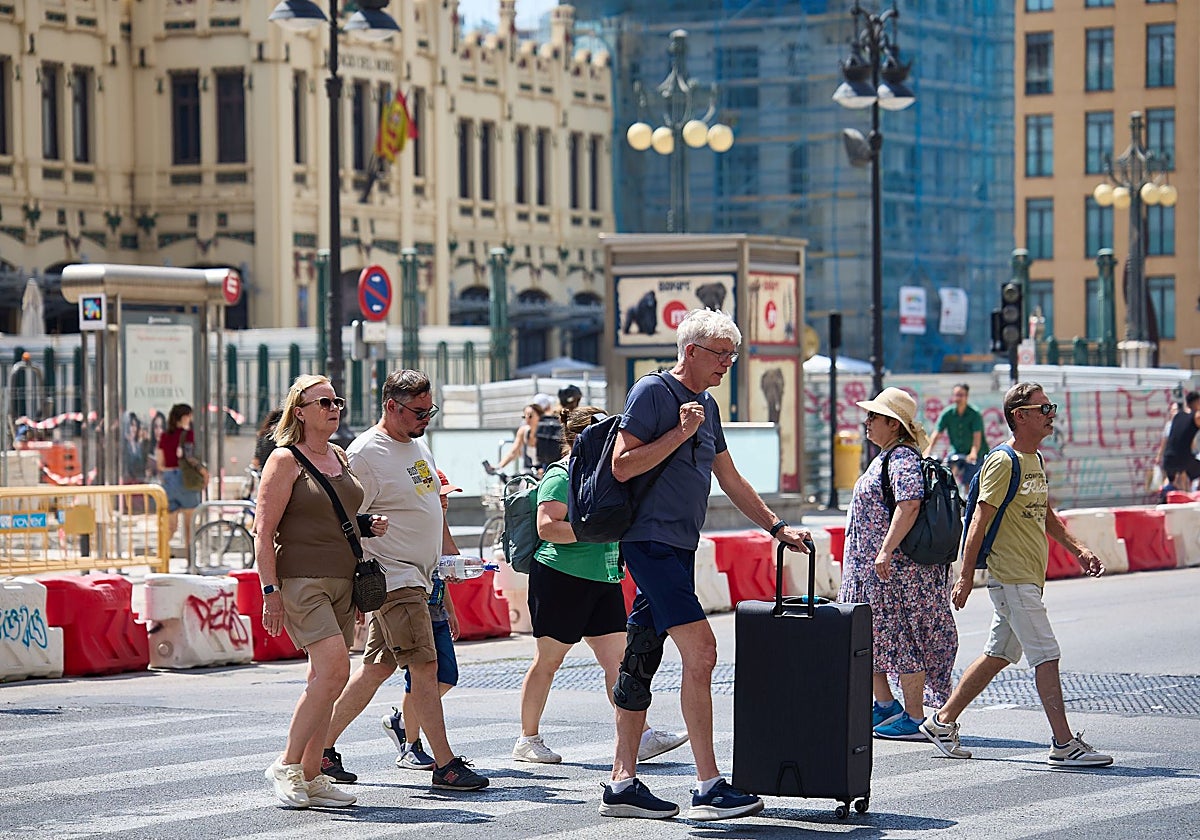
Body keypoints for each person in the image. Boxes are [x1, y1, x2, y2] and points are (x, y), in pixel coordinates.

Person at [602, 308, 811, 822]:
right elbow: (622, 464)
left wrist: (777, 528)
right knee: (703, 650)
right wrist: (677, 433)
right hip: (648, 542)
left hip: (677, 545)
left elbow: (731, 478)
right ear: (690, 351)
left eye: (733, 356)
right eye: (721, 355)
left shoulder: (706, 405)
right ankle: (709, 784)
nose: (728, 364)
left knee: (640, 658)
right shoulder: (653, 393)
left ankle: (621, 783)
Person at [920, 382, 1114, 768]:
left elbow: (1045, 516)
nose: (1050, 413)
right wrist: (964, 574)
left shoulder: (1035, 461)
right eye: (1043, 408)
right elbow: (979, 517)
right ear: (1019, 415)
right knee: (1046, 654)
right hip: (1011, 577)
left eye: (1050, 407)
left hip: (1027, 575)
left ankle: (941, 721)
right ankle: (1062, 742)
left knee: (999, 654)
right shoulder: (1003, 461)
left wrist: (1079, 549)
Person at [323, 369, 489, 792]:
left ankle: (320, 749)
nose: (426, 418)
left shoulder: (417, 444)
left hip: (421, 575)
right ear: (391, 406)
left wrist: (445, 566)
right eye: (418, 411)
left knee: (377, 668)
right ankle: (445, 765)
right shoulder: (363, 453)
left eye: (430, 409)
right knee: (425, 664)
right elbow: (343, 518)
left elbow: (430, 505)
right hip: (394, 576)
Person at [512, 405, 688, 765]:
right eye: (607, 434)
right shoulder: (562, 475)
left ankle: (642, 734)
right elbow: (547, 527)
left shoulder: (607, 474)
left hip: (604, 577)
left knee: (620, 662)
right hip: (562, 579)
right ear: (582, 438)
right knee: (549, 661)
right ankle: (527, 739)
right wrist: (592, 531)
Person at [255, 374, 388, 808]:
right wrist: (270, 592)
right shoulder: (284, 459)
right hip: (301, 580)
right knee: (334, 672)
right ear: (300, 412)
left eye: (337, 402)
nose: (334, 408)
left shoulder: (339, 456)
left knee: (322, 680)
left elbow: (339, 517)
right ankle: (288, 764)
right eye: (324, 402)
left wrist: (368, 525)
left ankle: (313, 777)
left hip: (344, 580)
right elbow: (263, 532)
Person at [838, 388, 958, 741]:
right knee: (871, 637)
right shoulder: (886, 456)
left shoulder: (902, 458)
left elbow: (909, 504)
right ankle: (886, 705)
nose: (866, 422)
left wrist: (885, 550)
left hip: (895, 574)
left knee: (902, 639)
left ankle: (915, 716)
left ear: (893, 424)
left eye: (873, 417)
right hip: (871, 573)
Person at [380, 468, 463, 774]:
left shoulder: (438, 525)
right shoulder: (419, 526)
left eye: (448, 497)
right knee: (419, 677)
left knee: (447, 676)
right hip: (415, 608)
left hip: (437, 610)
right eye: (441, 496)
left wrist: (451, 610)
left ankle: (404, 719)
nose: (445, 502)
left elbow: (441, 572)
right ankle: (409, 744)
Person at [155, 403, 208, 550]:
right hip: (185, 480)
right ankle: (190, 561)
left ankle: (160, 556)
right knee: (189, 525)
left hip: (168, 480)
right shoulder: (188, 435)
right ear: (185, 417)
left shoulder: (164, 436)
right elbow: (189, 457)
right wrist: (203, 472)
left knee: (170, 526)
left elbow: (160, 463)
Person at [923, 382, 985, 490]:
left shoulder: (974, 414)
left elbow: (977, 437)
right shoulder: (948, 413)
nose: (958, 398)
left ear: (966, 396)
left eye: (961, 395)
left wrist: (973, 453)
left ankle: (968, 502)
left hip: (975, 454)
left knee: (969, 482)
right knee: (946, 475)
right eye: (956, 395)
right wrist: (928, 451)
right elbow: (936, 433)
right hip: (956, 451)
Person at [487, 402, 544, 475]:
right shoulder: (523, 431)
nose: (527, 419)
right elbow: (513, 452)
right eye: (524, 416)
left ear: (539, 416)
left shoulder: (546, 433)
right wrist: (498, 467)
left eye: (530, 416)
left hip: (544, 471)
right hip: (528, 473)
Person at [1161, 390, 1200, 493]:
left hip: (1168, 459)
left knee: (1173, 481)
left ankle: (1164, 494)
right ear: (1197, 403)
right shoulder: (1196, 417)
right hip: (1182, 460)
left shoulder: (1177, 416)